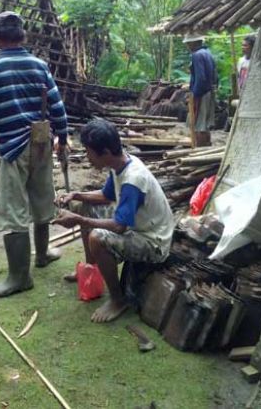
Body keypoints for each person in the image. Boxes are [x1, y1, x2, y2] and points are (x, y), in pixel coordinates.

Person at [0, 11, 68, 298]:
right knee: (42, 197)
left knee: (12, 208)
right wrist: (62, 138)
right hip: (42, 141)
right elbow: (57, 106)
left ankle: (19, 277)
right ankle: (42, 254)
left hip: (13, 146)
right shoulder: (39, 65)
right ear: (23, 36)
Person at [54, 119, 173, 323]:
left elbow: (119, 226)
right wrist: (76, 195)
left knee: (97, 237)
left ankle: (118, 300)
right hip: (140, 227)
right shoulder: (120, 164)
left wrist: (79, 220)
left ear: (106, 152)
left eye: (89, 151)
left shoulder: (133, 179)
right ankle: (91, 270)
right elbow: (106, 196)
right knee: (83, 206)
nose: (87, 156)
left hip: (153, 242)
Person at [183, 34, 217, 147]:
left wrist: (194, 95)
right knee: (205, 123)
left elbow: (201, 78)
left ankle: (200, 147)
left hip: (201, 93)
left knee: (199, 124)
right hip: (209, 91)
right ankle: (207, 145)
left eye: (188, 43)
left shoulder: (197, 55)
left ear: (194, 43)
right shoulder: (208, 53)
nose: (187, 46)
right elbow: (215, 76)